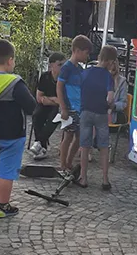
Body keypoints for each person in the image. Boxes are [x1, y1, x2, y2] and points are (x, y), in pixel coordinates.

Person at [0, 40, 36, 218]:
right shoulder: (15, 83)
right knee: (6, 170)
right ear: (10, 60)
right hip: (11, 134)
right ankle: (3, 205)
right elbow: (31, 106)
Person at [78, 45, 117, 189]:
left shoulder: (85, 72)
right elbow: (110, 98)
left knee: (85, 146)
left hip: (85, 112)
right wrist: (111, 106)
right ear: (110, 60)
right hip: (101, 113)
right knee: (104, 146)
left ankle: (83, 178)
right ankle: (105, 180)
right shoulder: (108, 77)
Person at [57, 35, 93, 173]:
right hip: (70, 108)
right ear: (77, 50)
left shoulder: (80, 69)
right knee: (68, 136)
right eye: (86, 52)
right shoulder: (66, 68)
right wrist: (63, 107)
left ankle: (69, 162)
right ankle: (62, 164)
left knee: (79, 137)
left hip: (80, 109)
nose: (87, 56)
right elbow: (59, 87)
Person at [29, 52, 65, 160]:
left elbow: (63, 101)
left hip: (59, 108)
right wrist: (54, 99)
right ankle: (42, 146)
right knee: (36, 115)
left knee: (54, 117)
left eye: (64, 65)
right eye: (60, 65)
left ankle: (38, 143)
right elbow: (39, 97)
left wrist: (50, 100)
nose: (62, 67)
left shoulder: (66, 79)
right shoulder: (45, 77)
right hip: (45, 105)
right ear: (51, 65)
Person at [109, 59, 128, 124]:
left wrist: (114, 106)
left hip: (113, 114)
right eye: (109, 69)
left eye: (113, 70)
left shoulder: (122, 82)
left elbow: (124, 103)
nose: (110, 72)